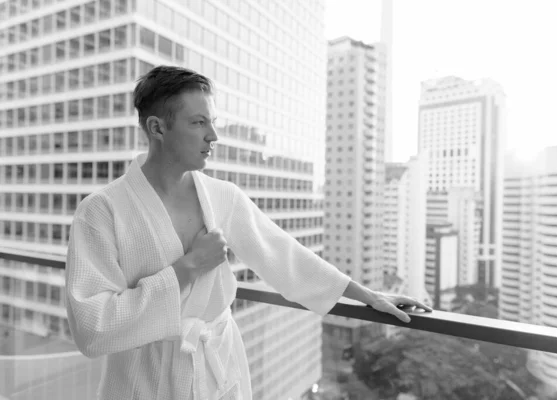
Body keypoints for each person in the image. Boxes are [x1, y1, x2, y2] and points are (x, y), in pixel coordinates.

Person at [65, 65, 432, 400]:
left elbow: (283, 256)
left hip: (218, 375)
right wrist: (187, 268)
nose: (214, 136)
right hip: (144, 382)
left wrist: (366, 295)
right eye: (198, 123)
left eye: (213, 122)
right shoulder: (101, 210)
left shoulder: (222, 197)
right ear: (157, 128)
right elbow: (92, 328)